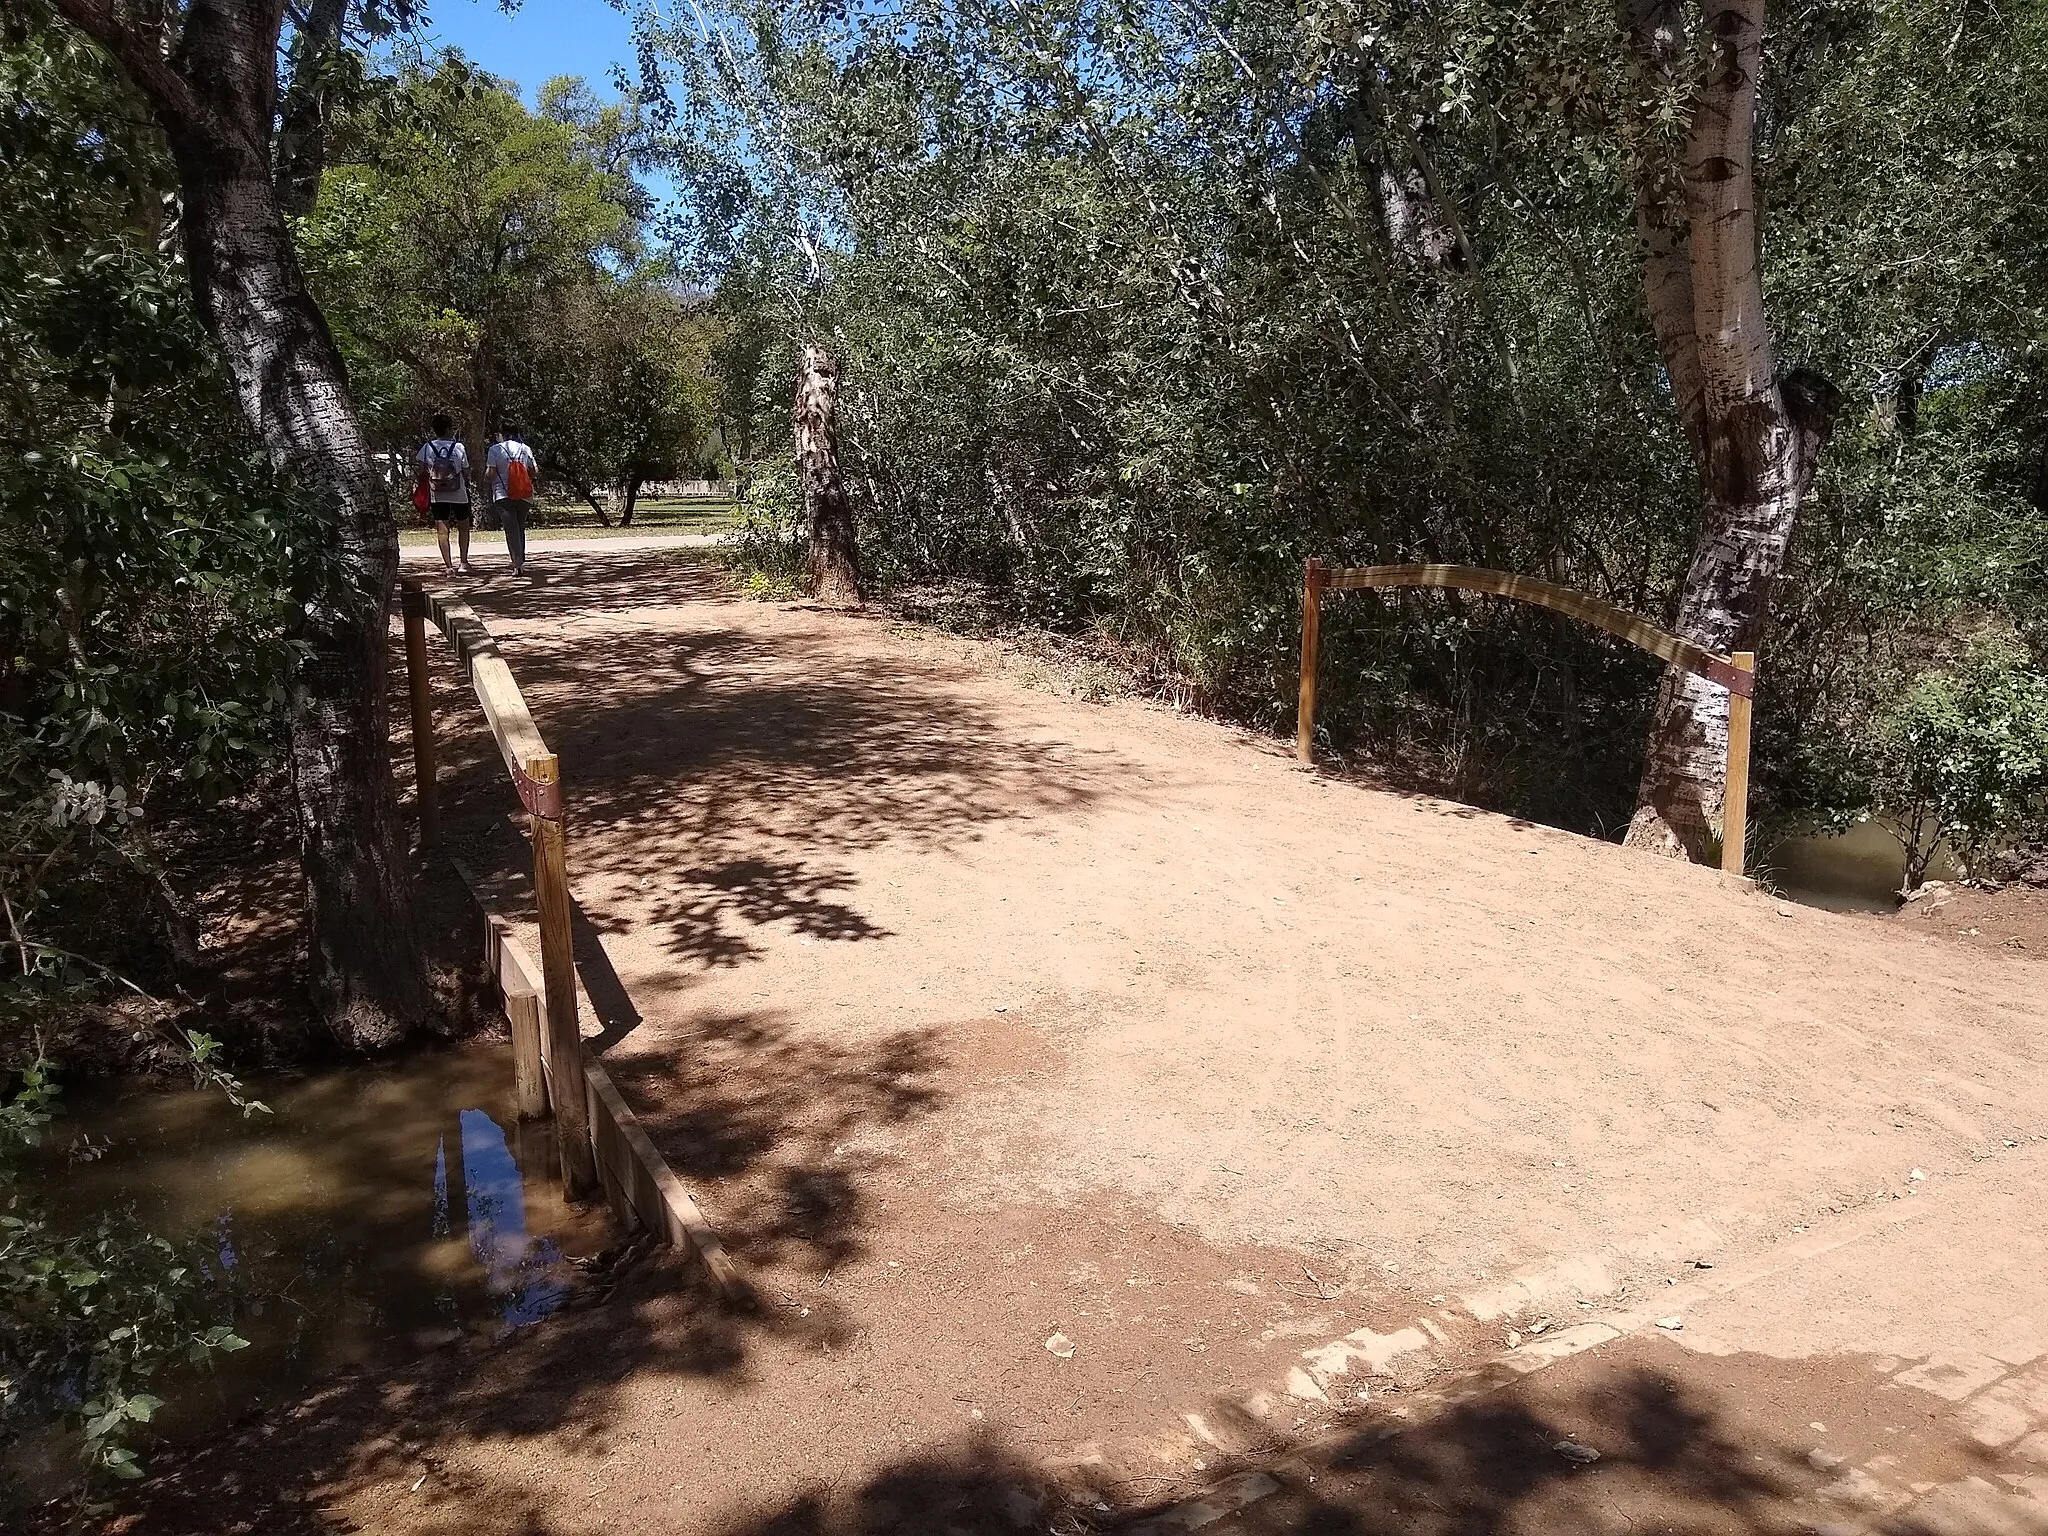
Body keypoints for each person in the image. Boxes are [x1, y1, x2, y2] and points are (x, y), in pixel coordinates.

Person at [416, 414, 473, 573]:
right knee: (463, 526)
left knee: (442, 529)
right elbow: (466, 471)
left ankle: (448, 566)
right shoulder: (459, 447)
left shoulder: (427, 447)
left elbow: (421, 470)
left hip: (437, 493)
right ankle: (463, 562)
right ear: (448, 428)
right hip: (458, 492)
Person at [485, 425, 540, 576]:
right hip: (524, 494)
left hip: (503, 494)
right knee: (520, 527)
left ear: (502, 434)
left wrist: (485, 479)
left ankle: (517, 563)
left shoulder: (495, 450)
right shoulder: (525, 448)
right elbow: (534, 471)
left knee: (511, 529)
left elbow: (491, 473)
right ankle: (520, 559)